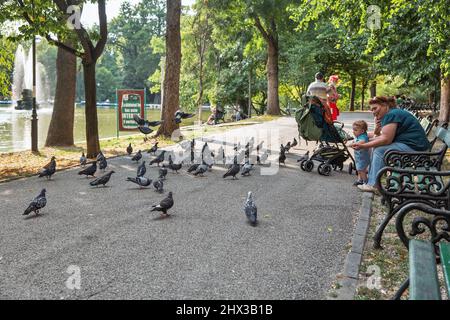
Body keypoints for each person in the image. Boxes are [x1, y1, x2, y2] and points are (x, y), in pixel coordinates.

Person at [351, 96, 430, 193]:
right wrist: (372, 137)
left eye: (375, 108)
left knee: (380, 150)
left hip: (415, 148)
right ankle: (371, 181)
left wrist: (364, 146)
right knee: (376, 146)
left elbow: (386, 139)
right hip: (415, 146)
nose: (373, 112)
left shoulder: (391, 114)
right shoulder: (392, 113)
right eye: (372, 110)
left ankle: (373, 185)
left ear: (385, 105)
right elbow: (381, 136)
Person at [349, 120, 370, 186]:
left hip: (363, 158)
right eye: (353, 130)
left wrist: (353, 144)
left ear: (362, 131)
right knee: (358, 169)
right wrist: (353, 142)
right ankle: (359, 180)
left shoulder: (364, 137)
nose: (353, 131)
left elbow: (362, 142)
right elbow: (355, 141)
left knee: (361, 170)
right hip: (358, 157)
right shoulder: (358, 137)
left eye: (355, 130)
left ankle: (366, 182)